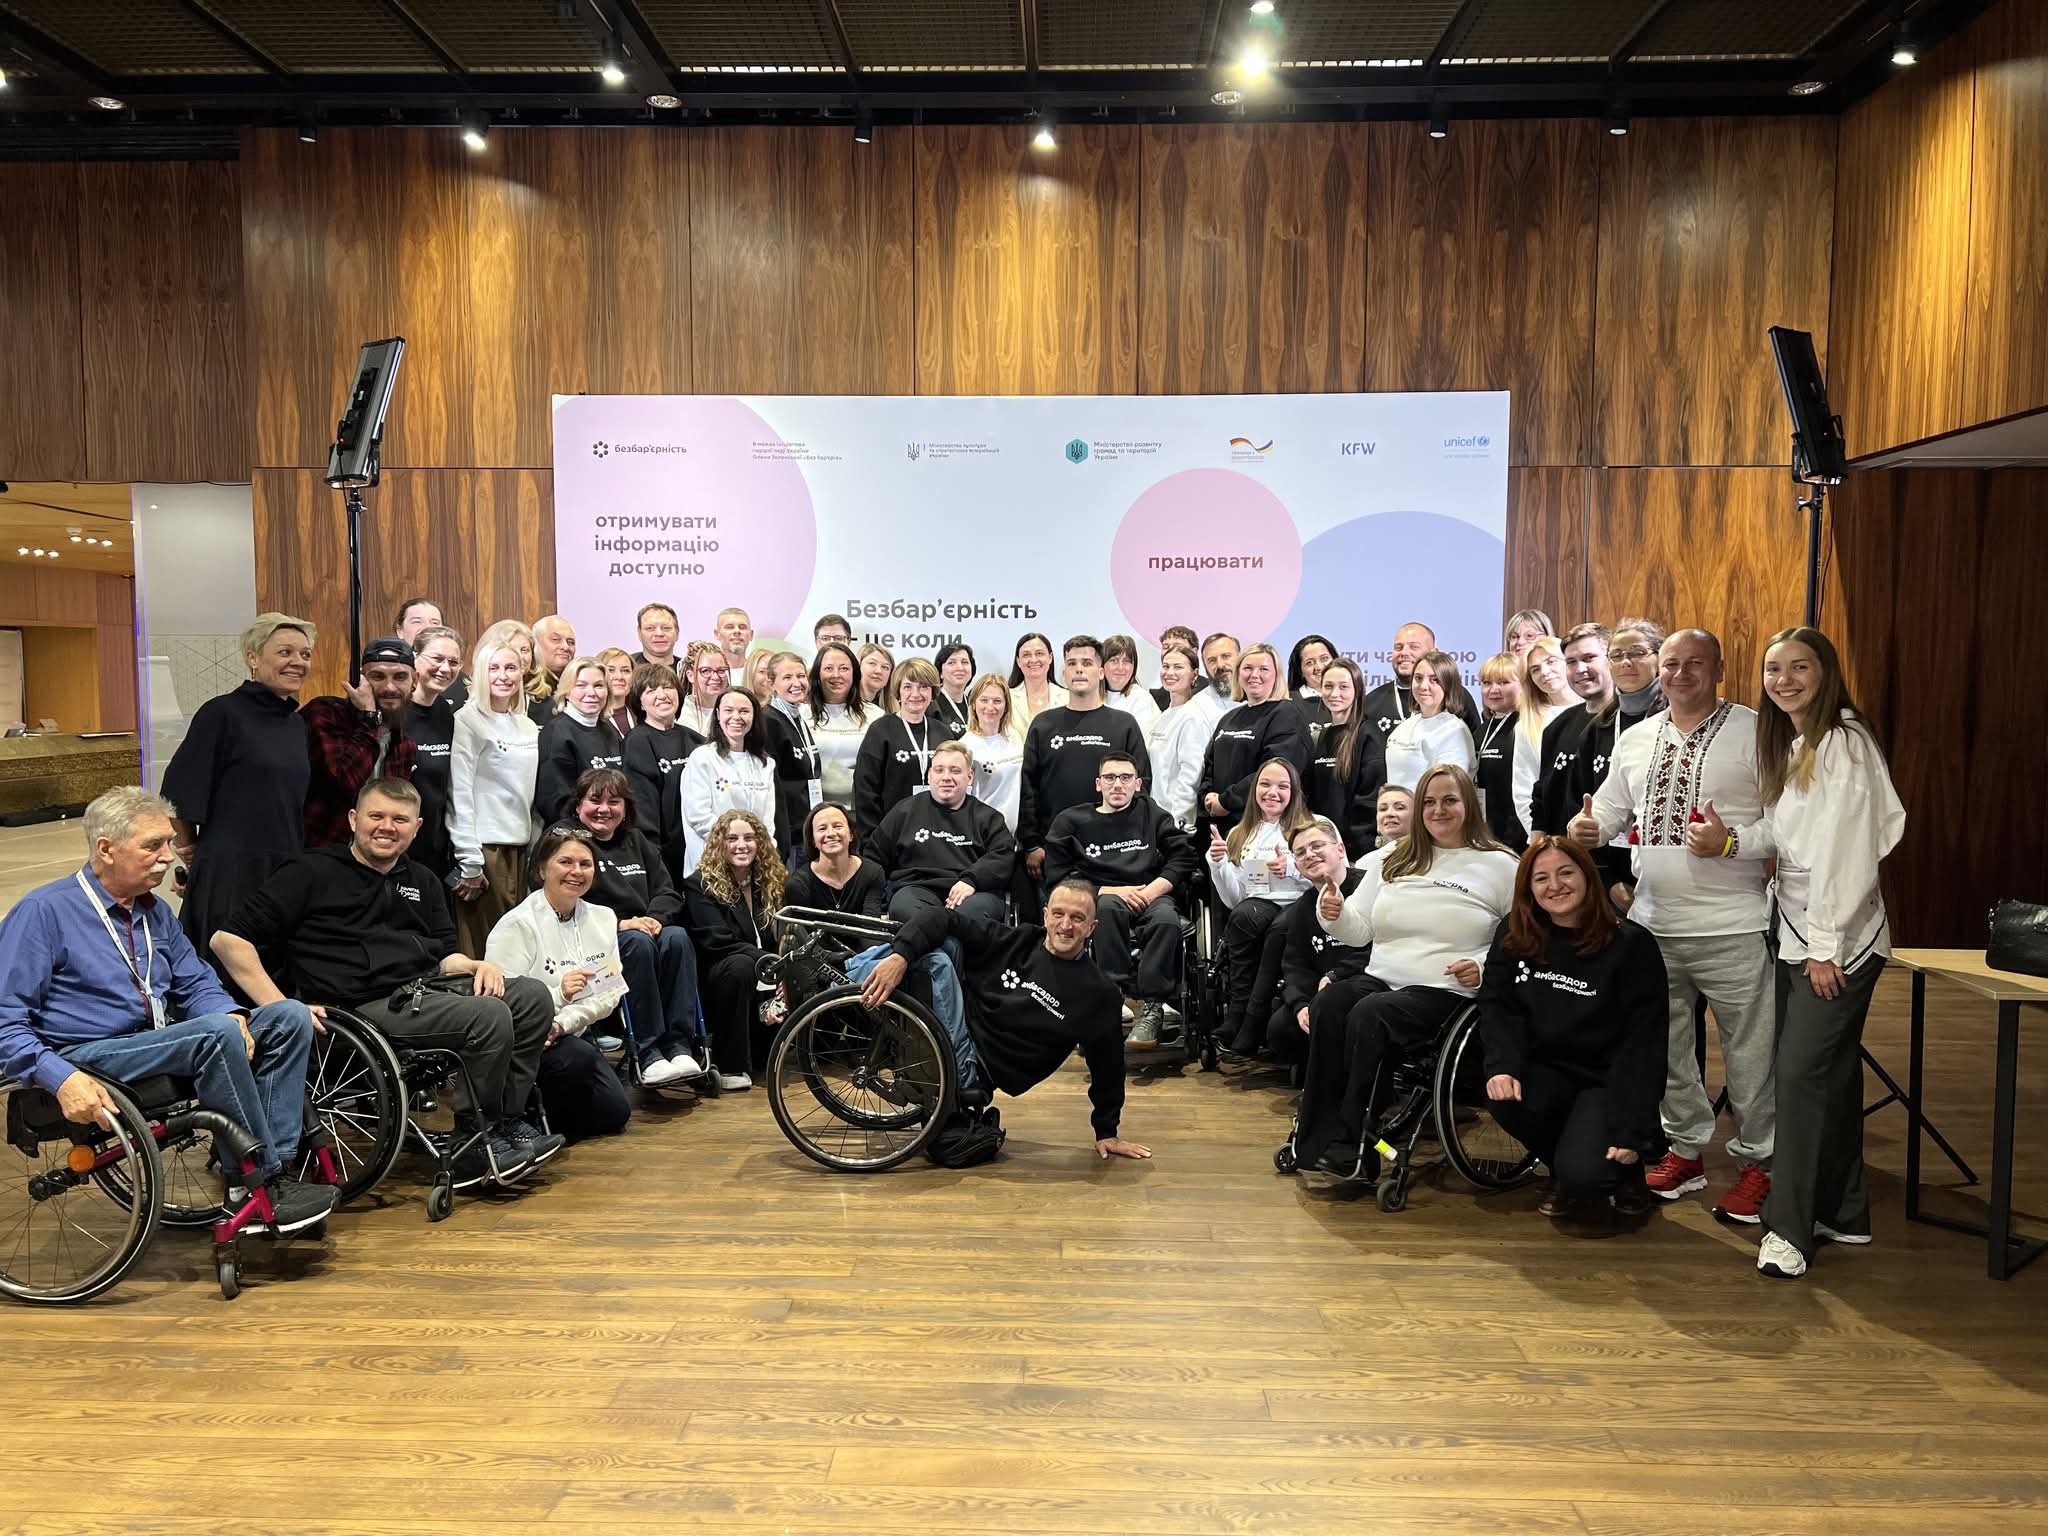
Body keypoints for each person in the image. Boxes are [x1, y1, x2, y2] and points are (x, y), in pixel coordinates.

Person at [0, 787, 335, 1234]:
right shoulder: (44, 912)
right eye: (153, 845)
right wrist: (60, 1078)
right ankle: (263, 1180)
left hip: (150, 1041)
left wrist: (230, 1012)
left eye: (169, 843)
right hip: (84, 1054)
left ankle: (265, 1176)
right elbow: (5, 1021)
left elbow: (196, 982)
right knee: (214, 1034)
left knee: (288, 1016)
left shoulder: (154, 912)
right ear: (106, 849)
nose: (167, 856)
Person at [211, 779, 565, 1191]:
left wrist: (476, 964)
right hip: (357, 1009)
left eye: (399, 819)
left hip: (424, 993)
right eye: (376, 816)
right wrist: (281, 1007)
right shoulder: (310, 872)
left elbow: (444, 956)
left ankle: (506, 1121)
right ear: (353, 819)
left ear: (416, 828)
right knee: (487, 1016)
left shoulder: (423, 880)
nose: (386, 827)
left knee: (531, 996)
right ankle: (473, 1142)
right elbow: (227, 941)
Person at [1568, 628, 1777, 1222]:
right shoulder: (1637, 738)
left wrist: (1731, 842)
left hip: (1733, 925)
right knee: (1665, 1049)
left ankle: (1763, 1162)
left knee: (1750, 1054)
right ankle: (1685, 1150)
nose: (1680, 674)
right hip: (1653, 924)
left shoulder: (1755, 731)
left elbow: (1784, 825)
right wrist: (1589, 830)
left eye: (1694, 663)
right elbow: (1611, 810)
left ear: (1719, 669)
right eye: (1671, 664)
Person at [1738, 627, 1906, 1280]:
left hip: (1833, 941)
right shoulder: (1800, 743)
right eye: (1773, 669)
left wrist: (1825, 945)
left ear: (1826, 671)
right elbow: (1786, 838)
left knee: (1798, 1076)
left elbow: (1849, 854)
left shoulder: (1843, 742)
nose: (1784, 680)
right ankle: (1844, 1210)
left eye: (1799, 667)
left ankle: (1789, 1229)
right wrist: (1730, 844)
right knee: (1831, 1076)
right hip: (1796, 930)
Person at [1293, 763, 1517, 1179]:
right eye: (1429, 802)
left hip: (1445, 989)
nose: (1438, 810)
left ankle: (1352, 1142)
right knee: (1330, 1002)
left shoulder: (1502, 865)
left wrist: (1483, 966)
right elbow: (1359, 929)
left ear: (1469, 804)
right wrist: (1334, 914)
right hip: (1384, 977)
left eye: (1449, 800)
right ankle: (1315, 1138)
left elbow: (1521, 941)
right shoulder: (1394, 856)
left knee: (1372, 1012)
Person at [858, 879, 1153, 1160]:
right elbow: (941, 916)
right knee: (943, 942)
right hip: (960, 1030)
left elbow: (1109, 1067)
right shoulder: (1019, 940)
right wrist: (900, 956)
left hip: (975, 1069)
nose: (1065, 925)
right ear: (1045, 916)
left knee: (936, 962)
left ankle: (840, 981)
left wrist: (1106, 1132)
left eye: (1077, 918)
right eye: (1059, 914)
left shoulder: (1098, 995)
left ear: (1092, 927)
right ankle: (843, 978)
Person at [1480, 835, 1669, 1220]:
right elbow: (1498, 1005)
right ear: (1528, 888)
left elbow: (1645, 1044)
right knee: (1503, 1097)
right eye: (1541, 878)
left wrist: (1631, 1127)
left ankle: (1623, 1171)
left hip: (1606, 1079)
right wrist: (1502, 1065)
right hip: (1546, 1069)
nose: (1555, 886)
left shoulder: (1631, 944)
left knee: (1588, 1177)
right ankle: (1562, 1167)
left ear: (1586, 876)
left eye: (1566, 873)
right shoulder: (1514, 933)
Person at [163, 613, 314, 961]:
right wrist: (188, 850)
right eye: (285, 652)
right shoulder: (222, 714)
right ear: (252, 657)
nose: (298, 662)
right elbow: (177, 792)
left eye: (305, 654)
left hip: (284, 866)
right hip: (231, 872)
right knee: (226, 969)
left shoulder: (295, 724)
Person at [483, 825, 632, 1141]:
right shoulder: (516, 925)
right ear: (541, 869)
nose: (576, 871)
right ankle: (521, 1115)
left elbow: (609, 992)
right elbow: (502, 1007)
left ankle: (547, 1121)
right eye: (565, 862)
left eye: (585, 864)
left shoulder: (604, 918)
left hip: (568, 1032)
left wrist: (563, 1023)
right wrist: (559, 995)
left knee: (616, 1113)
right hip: (527, 1043)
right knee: (579, 1059)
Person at [1043, 751, 1197, 1045]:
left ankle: (1153, 1008)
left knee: (1167, 919)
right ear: (1098, 783)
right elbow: (1058, 875)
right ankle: (1111, 998)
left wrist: (1150, 891)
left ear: (1137, 784)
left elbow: (1183, 859)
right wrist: (1108, 890)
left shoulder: (1152, 814)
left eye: (1125, 778)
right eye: (1110, 777)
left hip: (1149, 893)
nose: (1117, 784)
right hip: (1100, 896)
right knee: (1107, 908)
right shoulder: (1072, 820)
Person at [565, 768, 705, 1086]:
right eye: (595, 800)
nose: (604, 809)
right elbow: (567, 899)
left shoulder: (637, 841)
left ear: (626, 808)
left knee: (677, 937)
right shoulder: (569, 843)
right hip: (597, 940)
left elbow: (667, 891)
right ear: (578, 805)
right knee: (636, 943)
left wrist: (655, 918)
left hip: (646, 929)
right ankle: (649, 1051)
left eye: (614, 801)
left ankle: (679, 1047)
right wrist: (619, 923)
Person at [1018, 637, 1154, 885]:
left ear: (1101, 672)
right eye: (1072, 663)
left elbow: (1141, 786)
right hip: (1056, 848)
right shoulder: (1043, 724)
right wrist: (1031, 844)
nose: (1079, 669)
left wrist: (1130, 840)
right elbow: (1029, 788)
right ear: (1064, 673)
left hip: (1114, 849)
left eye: (1087, 663)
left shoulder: (1124, 724)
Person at [1207, 757, 1315, 1059]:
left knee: (1279, 928)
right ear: (1255, 789)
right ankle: (1237, 1012)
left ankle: (1252, 1020)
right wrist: (1218, 864)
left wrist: (1293, 868)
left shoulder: (1315, 826)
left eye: (1282, 786)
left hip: (1303, 902)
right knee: (1242, 917)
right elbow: (1235, 899)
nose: (1272, 792)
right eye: (1265, 784)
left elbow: (1337, 872)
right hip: (1258, 905)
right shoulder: (1240, 834)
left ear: (1294, 791)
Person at [679, 808, 785, 1090]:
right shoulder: (699, 884)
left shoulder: (771, 881)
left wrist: (784, 965)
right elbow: (717, 941)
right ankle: (730, 1065)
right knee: (741, 966)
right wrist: (771, 961)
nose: (742, 845)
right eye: (732, 838)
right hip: (722, 978)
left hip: (766, 976)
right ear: (719, 844)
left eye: (749, 838)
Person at [448, 633, 540, 956]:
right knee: (486, 949)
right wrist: (469, 860)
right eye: (494, 668)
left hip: (521, 849)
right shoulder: (468, 721)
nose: (503, 676)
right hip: (486, 850)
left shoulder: (527, 726)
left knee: (517, 949)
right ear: (480, 673)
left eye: (511, 668)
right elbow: (459, 792)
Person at [867, 743, 1015, 924]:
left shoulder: (988, 818)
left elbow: (1003, 856)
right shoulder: (903, 812)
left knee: (967, 919)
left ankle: (936, 941)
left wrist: (972, 880)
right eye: (939, 770)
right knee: (906, 909)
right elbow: (873, 858)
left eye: (955, 771)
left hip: (973, 893)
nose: (946, 777)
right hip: (916, 890)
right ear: (930, 775)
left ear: (969, 777)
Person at [1266, 817, 1371, 1070]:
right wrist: (1301, 1005)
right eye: (1301, 852)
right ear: (1296, 865)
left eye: (1317, 846)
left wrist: (1337, 975)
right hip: (1321, 995)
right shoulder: (1303, 907)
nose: (1310, 855)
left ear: (1340, 849)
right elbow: (1295, 965)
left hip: (1367, 985)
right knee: (1281, 1029)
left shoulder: (1369, 887)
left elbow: (1380, 946)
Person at [299, 637, 419, 851]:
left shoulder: (404, 745)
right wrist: (369, 717)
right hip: (320, 853)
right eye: (378, 676)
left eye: (400, 677)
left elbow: (392, 808)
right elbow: (345, 782)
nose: (389, 687)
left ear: (414, 681)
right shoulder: (325, 713)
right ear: (360, 679)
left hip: (374, 857)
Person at [1197, 643, 1311, 842]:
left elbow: (1275, 772)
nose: (1254, 675)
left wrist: (1226, 801)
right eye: (1248, 668)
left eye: (1263, 669)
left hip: (1264, 829)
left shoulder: (1287, 715)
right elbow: (1210, 764)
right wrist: (1207, 797)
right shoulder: (1229, 717)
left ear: (1276, 675)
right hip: (1221, 828)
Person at [676, 688, 779, 876]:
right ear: (717, 714)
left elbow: (767, 822)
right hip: (711, 866)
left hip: (754, 865)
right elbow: (698, 817)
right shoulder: (702, 758)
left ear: (754, 716)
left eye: (744, 711)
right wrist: (737, 845)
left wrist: (760, 853)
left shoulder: (765, 764)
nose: (736, 717)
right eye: (729, 710)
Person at [854, 658, 944, 837]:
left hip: (937, 831)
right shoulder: (880, 730)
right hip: (892, 833)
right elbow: (865, 789)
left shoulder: (942, 732)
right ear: (898, 691)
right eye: (908, 687)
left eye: (923, 687)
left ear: (932, 692)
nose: (915, 694)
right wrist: (872, 838)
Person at [1305, 656, 1382, 856]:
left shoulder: (1369, 735)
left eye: (1343, 687)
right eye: (1328, 686)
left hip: (1355, 852)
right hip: (1322, 849)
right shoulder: (1320, 737)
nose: (1334, 694)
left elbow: (1370, 801)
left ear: (1357, 690)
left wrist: (1355, 850)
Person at [404, 624, 464, 883]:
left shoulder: (445, 713)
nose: (445, 668)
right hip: (398, 847)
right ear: (415, 657)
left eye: (454, 662)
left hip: (435, 850)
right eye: (437, 659)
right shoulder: (395, 711)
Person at [534, 655, 626, 823]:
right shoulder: (557, 732)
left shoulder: (608, 730)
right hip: (573, 832)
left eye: (598, 686)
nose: (591, 693)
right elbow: (554, 803)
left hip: (608, 828)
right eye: (581, 685)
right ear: (567, 692)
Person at [622, 662, 702, 851]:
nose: (662, 695)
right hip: (662, 851)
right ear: (640, 701)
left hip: (699, 846)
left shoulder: (696, 740)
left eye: (668, 687)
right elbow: (642, 807)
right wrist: (653, 855)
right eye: (651, 690)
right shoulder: (637, 742)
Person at [1148, 642, 1230, 828]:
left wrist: (1181, 824)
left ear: (1194, 674)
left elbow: (1190, 777)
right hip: (1157, 818)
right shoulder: (1164, 715)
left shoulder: (1193, 717)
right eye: (1166, 666)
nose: (1170, 672)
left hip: (1176, 824)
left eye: (1178, 667)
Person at [1360, 620, 1480, 737]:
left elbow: (1476, 743)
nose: (1404, 652)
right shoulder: (1371, 702)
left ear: (1434, 653)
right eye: (1398, 647)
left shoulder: (1456, 695)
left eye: (1414, 647)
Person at [1511, 636, 1576, 844]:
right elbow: (1523, 790)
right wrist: (1538, 840)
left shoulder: (1598, 710)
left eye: (1551, 662)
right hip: (1550, 832)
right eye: (1535, 669)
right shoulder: (1527, 724)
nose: (1545, 672)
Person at [1382, 650, 1476, 790]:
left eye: (1434, 680)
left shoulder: (1454, 730)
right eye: (1418, 678)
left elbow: (1447, 788)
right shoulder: (1405, 726)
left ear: (1448, 684)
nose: (1423, 686)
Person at [784, 801, 888, 917]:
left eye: (837, 826)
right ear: (813, 840)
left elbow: (871, 924)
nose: (831, 833)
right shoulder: (798, 885)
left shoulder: (873, 873)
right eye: (822, 829)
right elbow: (803, 928)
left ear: (851, 834)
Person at [761, 650, 822, 844]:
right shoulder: (768, 721)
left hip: (807, 825)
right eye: (787, 677)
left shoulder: (799, 716)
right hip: (787, 831)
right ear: (771, 684)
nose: (797, 683)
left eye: (801, 676)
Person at [805, 640, 869, 807]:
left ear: (855, 673)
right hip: (812, 810)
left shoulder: (876, 716)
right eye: (828, 668)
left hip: (860, 810)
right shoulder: (801, 715)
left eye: (844, 668)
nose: (836, 675)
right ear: (817, 674)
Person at [1473, 653, 1524, 850]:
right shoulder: (1482, 730)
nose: (1493, 690)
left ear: (1523, 684)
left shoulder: (1526, 726)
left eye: (1503, 682)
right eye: (1487, 683)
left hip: (1518, 837)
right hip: (1486, 834)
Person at [963, 673, 1024, 830]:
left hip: (1017, 832)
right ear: (973, 704)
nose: (990, 707)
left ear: (1006, 706)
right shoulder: (965, 746)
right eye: (984, 700)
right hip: (984, 830)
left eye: (997, 701)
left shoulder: (1015, 737)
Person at [1609, 616, 1669, 724]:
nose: (1625, 662)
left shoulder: (1681, 713)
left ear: (1660, 659)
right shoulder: (1600, 724)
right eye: (1616, 655)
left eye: (1637, 653)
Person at [1100, 634, 1160, 733]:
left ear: (1134, 666)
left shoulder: (1141, 699)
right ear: (1102, 665)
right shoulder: (1091, 696)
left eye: (1126, 661)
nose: (1120, 668)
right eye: (1114, 660)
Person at [1007, 632, 1067, 731]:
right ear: (1018, 661)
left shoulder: (1068, 698)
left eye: (1039, 653)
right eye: (1026, 655)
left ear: (1050, 657)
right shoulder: (1007, 698)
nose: (1033, 660)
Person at [677, 641, 732, 737]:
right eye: (706, 671)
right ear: (690, 675)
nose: (715, 677)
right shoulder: (678, 712)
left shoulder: (736, 709)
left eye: (721, 670)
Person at [1286, 634, 1338, 730]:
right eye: (1309, 663)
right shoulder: (1288, 703)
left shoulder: (1352, 698)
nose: (1319, 667)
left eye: (1324, 658)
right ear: (1300, 671)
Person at [931, 642, 977, 739]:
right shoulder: (931, 705)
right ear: (940, 673)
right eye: (951, 663)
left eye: (965, 662)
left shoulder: (975, 705)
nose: (960, 668)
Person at [595, 647, 637, 737]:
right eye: (611, 670)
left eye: (625, 670)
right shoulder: (590, 719)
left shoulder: (643, 716)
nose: (619, 677)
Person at [631, 603, 680, 670]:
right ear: (639, 633)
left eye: (666, 628)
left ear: (677, 633)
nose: (659, 634)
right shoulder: (627, 667)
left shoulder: (688, 669)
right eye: (650, 628)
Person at [857, 643, 897, 713]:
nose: (879, 671)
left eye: (885, 667)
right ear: (858, 666)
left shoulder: (892, 711)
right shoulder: (843, 705)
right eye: (872, 663)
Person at [1199, 632, 1241, 699]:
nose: (1220, 665)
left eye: (1226, 656)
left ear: (1240, 657)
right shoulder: (1196, 705)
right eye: (1212, 660)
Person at [1373, 782, 1414, 846]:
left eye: (1399, 808)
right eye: (1383, 809)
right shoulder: (1370, 854)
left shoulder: (1429, 851)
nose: (1389, 813)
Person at [715, 607, 754, 673]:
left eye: (742, 627)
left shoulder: (760, 673)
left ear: (751, 635)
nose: (737, 631)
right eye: (730, 627)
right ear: (717, 634)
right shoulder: (705, 673)